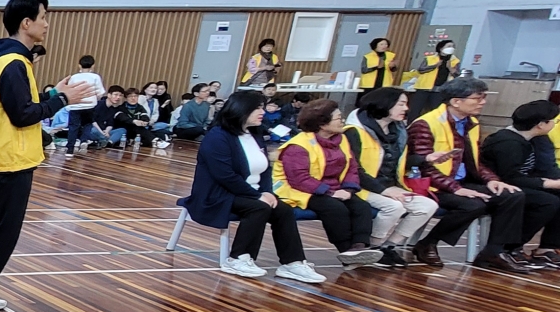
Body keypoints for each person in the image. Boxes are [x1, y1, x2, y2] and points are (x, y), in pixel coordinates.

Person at [0, 0, 101, 312]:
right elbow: (22, 115)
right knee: (2, 235)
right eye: (43, 17)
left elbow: (17, 105)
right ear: (26, 22)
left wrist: (51, 95)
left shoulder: (7, 60)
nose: (47, 23)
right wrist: (62, 100)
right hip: (9, 159)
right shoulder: (13, 62)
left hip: (5, 157)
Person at [182, 91, 325, 283]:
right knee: (259, 207)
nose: (262, 112)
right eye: (257, 108)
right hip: (219, 194)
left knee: (283, 209)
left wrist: (267, 192)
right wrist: (256, 196)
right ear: (241, 109)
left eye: (263, 107)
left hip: (251, 192)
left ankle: (293, 262)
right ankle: (238, 258)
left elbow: (265, 169)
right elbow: (225, 176)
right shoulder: (217, 136)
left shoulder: (255, 133)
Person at [406, 78, 529, 271]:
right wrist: (456, 189)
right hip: (431, 185)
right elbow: (423, 166)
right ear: (456, 101)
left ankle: (493, 252)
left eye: (484, 97)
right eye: (478, 98)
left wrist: (492, 180)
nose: (483, 102)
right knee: (473, 204)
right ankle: (428, 243)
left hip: (461, 181)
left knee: (512, 195)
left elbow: (475, 161)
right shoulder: (425, 124)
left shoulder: (472, 123)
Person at [272, 100, 382, 266]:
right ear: (322, 123)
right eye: (338, 118)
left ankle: (359, 247)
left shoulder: (342, 139)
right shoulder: (298, 146)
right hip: (300, 190)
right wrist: (330, 192)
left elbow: (352, 167)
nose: (342, 121)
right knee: (335, 208)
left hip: (335, 188)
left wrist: (349, 189)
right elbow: (299, 179)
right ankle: (346, 250)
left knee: (362, 207)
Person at [343, 87, 438, 266]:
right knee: (394, 207)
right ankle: (373, 248)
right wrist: (385, 190)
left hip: (390, 185)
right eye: (401, 104)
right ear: (385, 104)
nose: (406, 109)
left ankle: (388, 246)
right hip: (362, 186)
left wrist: (426, 159)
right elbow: (353, 170)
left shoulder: (399, 131)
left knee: (427, 206)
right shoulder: (354, 131)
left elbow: (396, 162)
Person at [481, 100, 560, 266]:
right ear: (541, 124)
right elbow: (510, 177)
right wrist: (547, 184)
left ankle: (547, 247)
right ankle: (509, 247)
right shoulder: (508, 142)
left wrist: (552, 181)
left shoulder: (537, 139)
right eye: (553, 120)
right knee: (547, 202)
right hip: (495, 185)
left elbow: (545, 168)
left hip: (519, 182)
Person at [64, 54, 102, 152]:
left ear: (79, 65)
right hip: (90, 105)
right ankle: (84, 141)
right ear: (93, 66)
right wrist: (96, 99)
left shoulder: (74, 77)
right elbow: (100, 92)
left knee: (73, 126)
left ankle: (70, 149)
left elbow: (69, 90)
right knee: (88, 124)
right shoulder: (95, 77)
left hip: (75, 106)